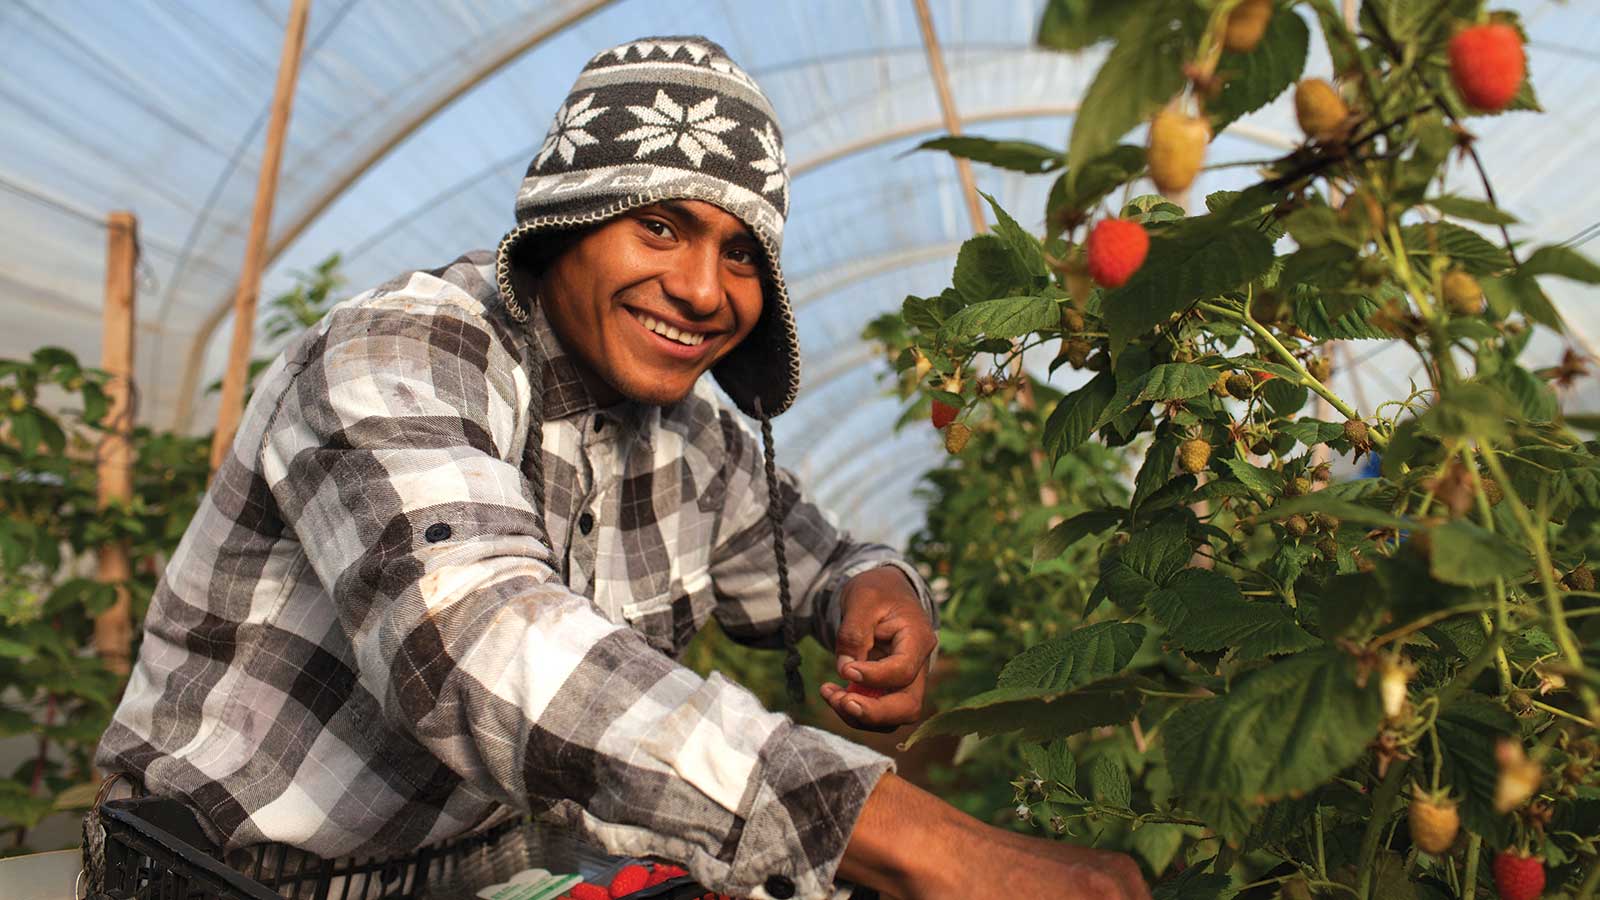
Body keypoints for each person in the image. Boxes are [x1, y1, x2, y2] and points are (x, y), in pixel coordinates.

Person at [95, 35, 1148, 900]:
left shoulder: (695, 440)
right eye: (660, 226)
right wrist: (915, 836)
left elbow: (814, 558)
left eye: (742, 255)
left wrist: (877, 591)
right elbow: (477, 649)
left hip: (506, 874)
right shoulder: (399, 356)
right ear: (567, 225)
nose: (702, 288)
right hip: (237, 878)